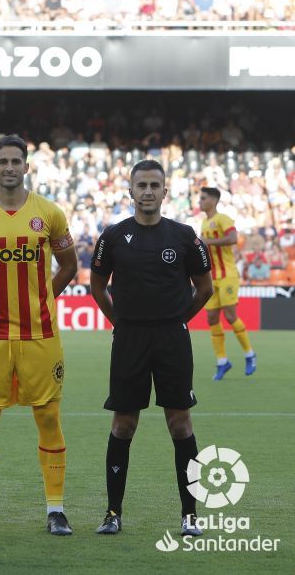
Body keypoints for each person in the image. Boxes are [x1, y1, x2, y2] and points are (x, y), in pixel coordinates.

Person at [0, 135, 78, 536]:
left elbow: (69, 265)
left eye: (16, 160)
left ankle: (55, 509)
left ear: (26, 166)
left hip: (41, 334)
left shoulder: (50, 213)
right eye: (2, 160)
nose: (9, 167)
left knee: (48, 415)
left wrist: (44, 298)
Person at [90, 159, 213, 536]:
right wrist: (121, 323)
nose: (147, 191)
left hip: (172, 340)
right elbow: (98, 287)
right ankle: (113, 513)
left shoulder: (184, 236)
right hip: (129, 339)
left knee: (180, 424)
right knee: (123, 424)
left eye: (153, 185)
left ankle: (189, 515)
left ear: (164, 191)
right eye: (140, 185)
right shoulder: (112, 236)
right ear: (130, 190)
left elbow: (205, 288)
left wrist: (177, 320)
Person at [198, 187, 256, 380]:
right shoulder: (205, 222)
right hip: (212, 278)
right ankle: (222, 361)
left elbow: (233, 238)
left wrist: (207, 241)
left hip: (228, 275)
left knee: (231, 316)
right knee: (212, 319)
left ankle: (249, 354)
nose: (200, 201)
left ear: (213, 200)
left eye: (203, 198)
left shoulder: (222, 219)